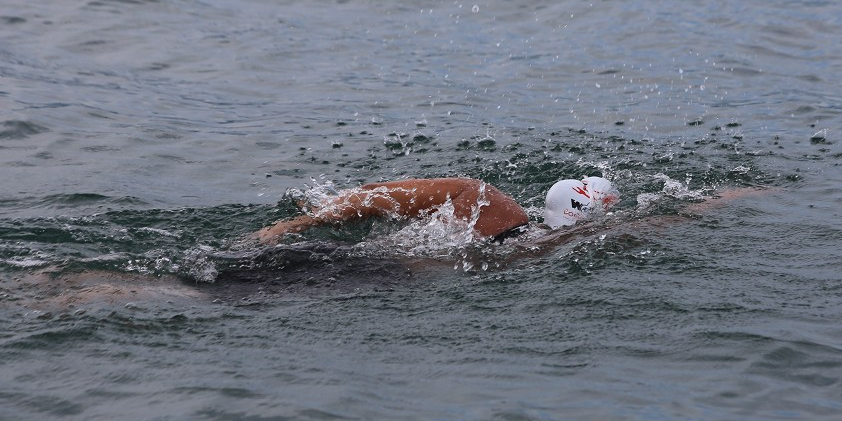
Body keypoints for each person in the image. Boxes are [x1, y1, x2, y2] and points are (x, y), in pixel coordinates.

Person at [255, 175, 621, 244]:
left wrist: (303, 221)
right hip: (408, 281)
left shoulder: (487, 202)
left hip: (374, 265)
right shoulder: (562, 247)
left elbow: (374, 196)